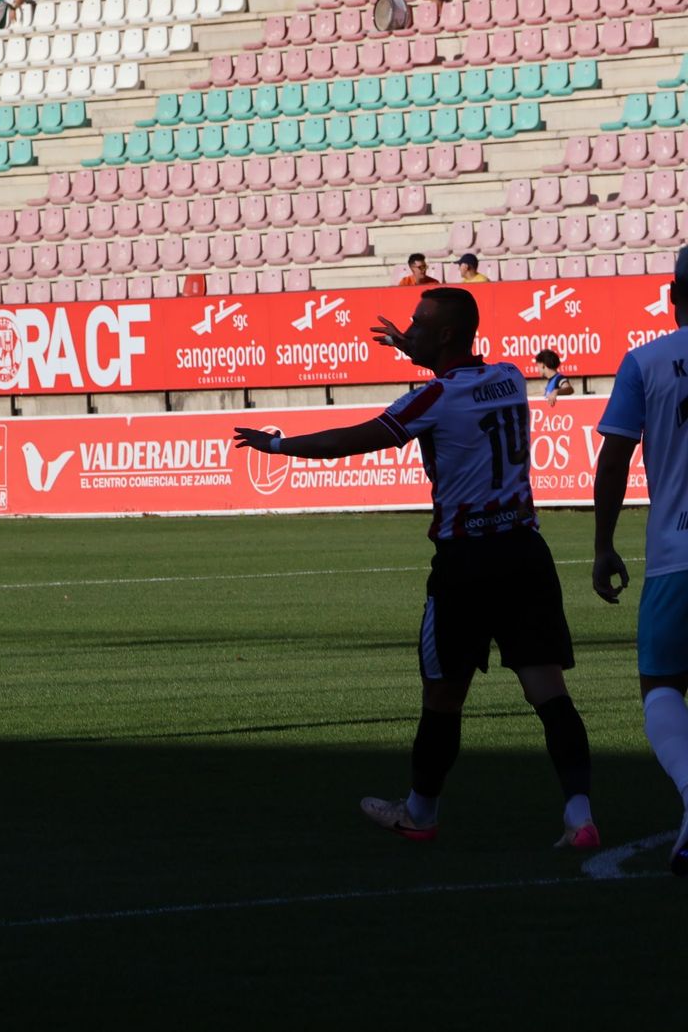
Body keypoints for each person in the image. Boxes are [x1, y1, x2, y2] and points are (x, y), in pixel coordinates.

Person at [233, 287, 599, 849]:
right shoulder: (507, 376)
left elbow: (355, 439)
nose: (409, 328)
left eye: (418, 323)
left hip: (467, 563)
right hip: (525, 553)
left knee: (443, 696)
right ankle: (580, 815)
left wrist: (283, 446)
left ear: (446, 335)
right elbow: (461, 371)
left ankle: (421, 812)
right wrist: (417, 347)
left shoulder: (433, 398)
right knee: (548, 691)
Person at [592, 246, 688, 877]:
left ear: (674, 294)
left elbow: (616, 458)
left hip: (675, 554)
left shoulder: (646, 361)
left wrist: (602, 544)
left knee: (661, 686)